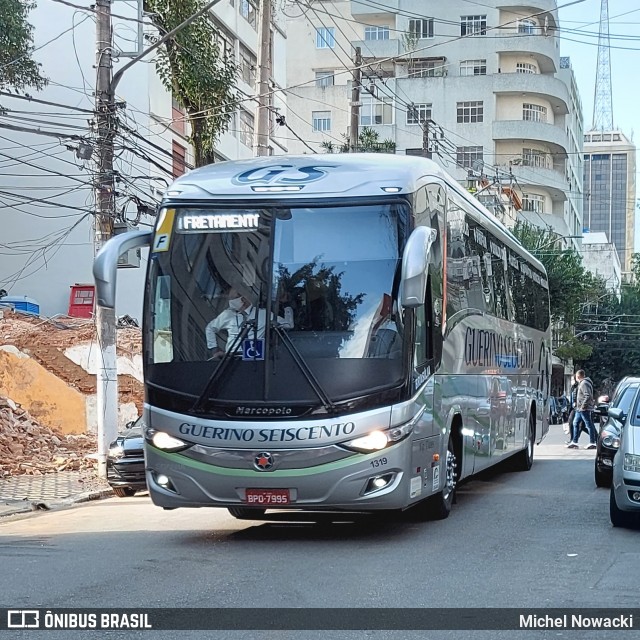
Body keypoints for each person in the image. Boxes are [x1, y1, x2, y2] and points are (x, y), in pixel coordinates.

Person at [205, 288, 293, 359]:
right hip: (230, 360)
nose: (230, 301)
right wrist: (214, 349)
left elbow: (289, 325)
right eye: (230, 299)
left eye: (234, 298)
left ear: (244, 298)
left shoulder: (263, 314)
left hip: (255, 360)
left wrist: (287, 306)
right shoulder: (228, 314)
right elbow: (210, 328)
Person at [566, 369, 598, 449]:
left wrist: (583, 406)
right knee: (575, 423)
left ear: (578, 376)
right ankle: (574, 441)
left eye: (576, 377)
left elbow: (588, 395)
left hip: (584, 409)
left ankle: (592, 442)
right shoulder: (582, 383)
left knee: (588, 425)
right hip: (579, 409)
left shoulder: (584, 383)